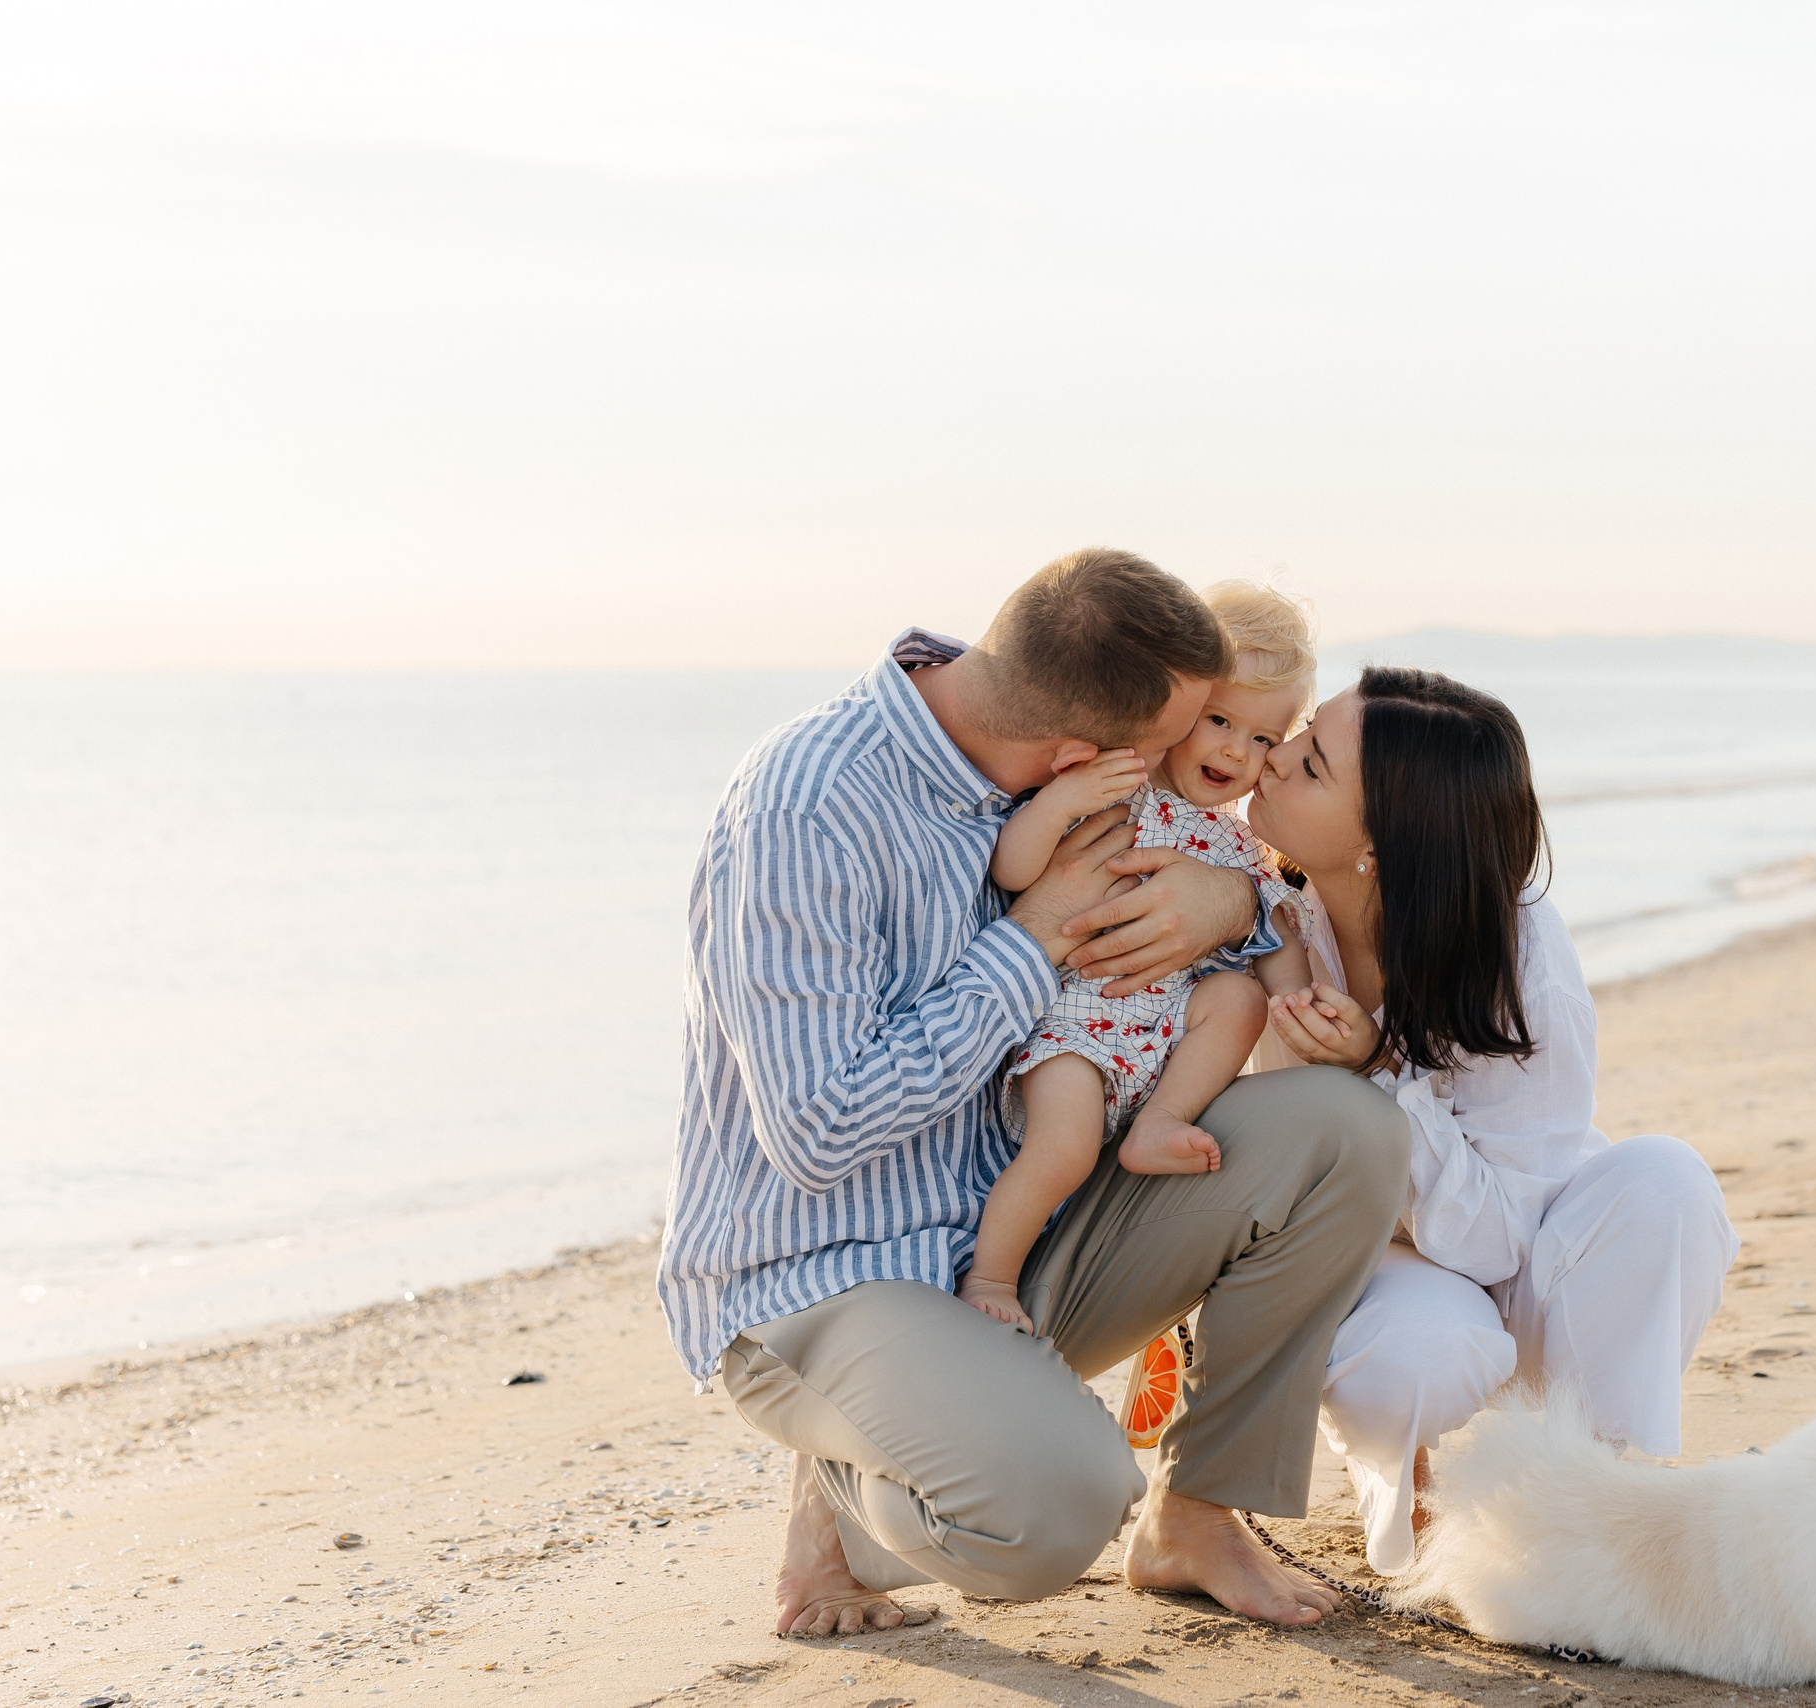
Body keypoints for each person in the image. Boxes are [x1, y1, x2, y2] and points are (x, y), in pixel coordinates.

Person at [657, 549, 1408, 1636]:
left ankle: (1197, 1516)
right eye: (1167, 749)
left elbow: (1194, 863)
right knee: (1054, 1510)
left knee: (1346, 1132)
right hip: (827, 1277)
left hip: (1017, 1239)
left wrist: (1223, 901)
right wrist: (1032, 937)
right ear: (1080, 754)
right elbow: (819, 1132)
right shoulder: (808, 810)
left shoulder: (1043, 727)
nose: (1205, 767)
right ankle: (844, 1495)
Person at [1248, 666, 1740, 1575]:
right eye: (1301, 735)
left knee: (1668, 1185)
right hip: (1365, 1257)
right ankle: (1411, 1485)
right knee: (1421, 1356)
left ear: (1381, 848)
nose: (1271, 761)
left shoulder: (1514, 953)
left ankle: (1592, 1491)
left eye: (1311, 764)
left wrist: (1378, 1071)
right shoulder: (1262, 905)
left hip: (1513, 1236)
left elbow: (1495, 1239)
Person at [961, 582, 1319, 1334]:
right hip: (1075, 1025)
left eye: (1263, 740)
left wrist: (1299, 1004)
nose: (1235, 750)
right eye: (1219, 721)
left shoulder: (1237, 843)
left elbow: (1274, 931)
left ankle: (1161, 1122)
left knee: (1240, 1001)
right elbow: (1013, 870)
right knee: (1065, 1149)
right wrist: (1060, 804)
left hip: (1160, 1040)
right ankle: (991, 1277)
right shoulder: (1113, 788)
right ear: (1177, 711)